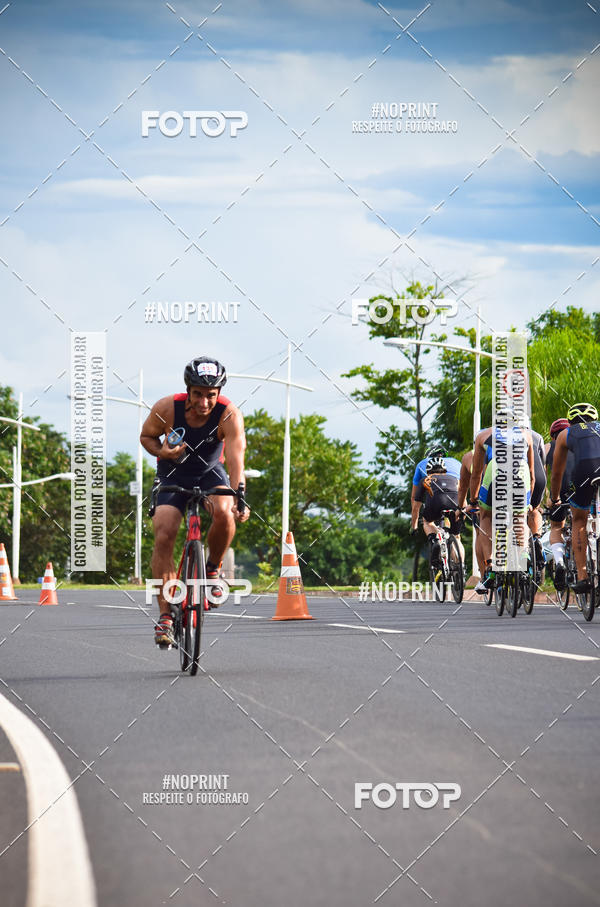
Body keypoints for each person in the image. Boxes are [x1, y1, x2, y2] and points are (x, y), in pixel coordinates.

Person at [141, 356, 250, 646]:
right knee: (164, 533)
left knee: (225, 512)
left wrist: (239, 495)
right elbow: (147, 437)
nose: (204, 402)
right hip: (172, 473)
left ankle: (212, 569)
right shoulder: (166, 408)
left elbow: (236, 458)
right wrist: (162, 452)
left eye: (210, 395)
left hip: (209, 473)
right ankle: (166, 616)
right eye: (198, 394)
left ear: (219, 393)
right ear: (188, 391)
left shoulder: (229, 415)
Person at [469, 412, 535, 589]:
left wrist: (473, 500)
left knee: (486, 518)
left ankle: (490, 566)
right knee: (520, 518)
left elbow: (476, 474)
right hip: (521, 472)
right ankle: (523, 554)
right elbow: (532, 475)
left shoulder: (483, 435)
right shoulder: (526, 435)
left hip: (495, 470)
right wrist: (527, 502)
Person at [550, 403, 600, 593]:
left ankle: (583, 577)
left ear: (570, 421)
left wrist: (555, 497)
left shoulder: (566, 433)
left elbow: (557, 473)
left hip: (585, 470)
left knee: (578, 521)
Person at [412, 455, 464, 565]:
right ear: (445, 470)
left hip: (435, 504)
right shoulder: (455, 479)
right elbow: (462, 496)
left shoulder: (425, 480)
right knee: (456, 537)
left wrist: (414, 526)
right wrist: (462, 512)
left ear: (428, 472)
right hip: (455, 505)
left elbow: (416, 507)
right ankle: (461, 568)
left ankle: (434, 540)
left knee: (427, 522)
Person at [544, 417, 572, 590]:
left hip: (560, 490)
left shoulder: (549, 446)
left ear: (553, 435)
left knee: (556, 527)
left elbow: (541, 475)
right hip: (582, 486)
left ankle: (560, 561)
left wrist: (548, 497)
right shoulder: (578, 441)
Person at [456, 448, 487, 592]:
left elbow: (463, 487)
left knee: (481, 532)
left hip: (485, 495)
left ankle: (485, 576)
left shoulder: (470, 456)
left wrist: (462, 507)